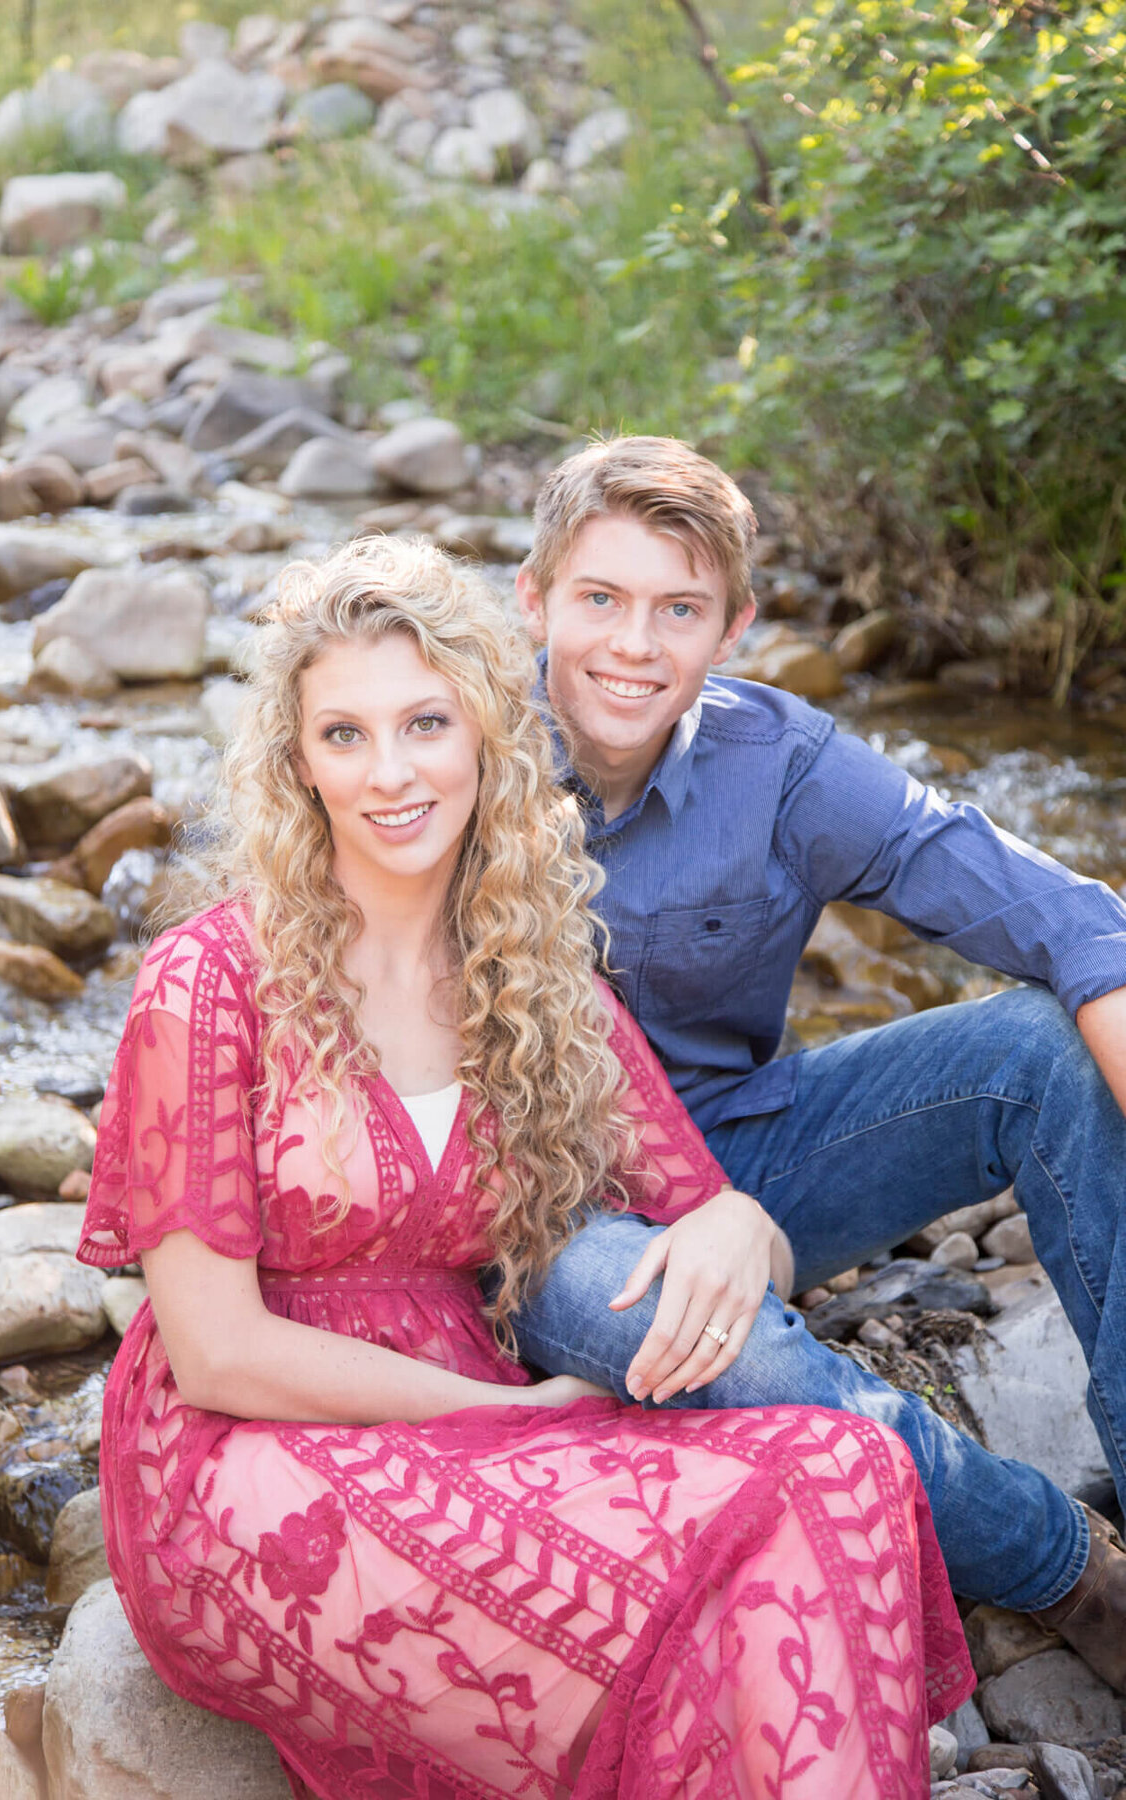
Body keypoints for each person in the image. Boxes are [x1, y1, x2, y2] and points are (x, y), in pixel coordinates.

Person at [78, 537, 970, 1800]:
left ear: (489, 732)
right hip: (251, 1453)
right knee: (692, 1588)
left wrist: (733, 1229)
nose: (389, 774)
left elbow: (710, 1206)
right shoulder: (211, 980)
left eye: (425, 723)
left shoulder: (531, 975)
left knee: (846, 1468)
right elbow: (218, 1349)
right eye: (345, 736)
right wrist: (503, 1416)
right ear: (296, 764)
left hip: (480, 1415)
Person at [510, 434, 1126, 1691]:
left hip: (758, 1158)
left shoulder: (782, 765)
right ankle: (1069, 1567)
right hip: (553, 1214)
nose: (634, 644)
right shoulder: (453, 753)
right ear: (535, 597)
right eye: (601, 599)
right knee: (723, 1346)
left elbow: (1067, 919)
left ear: (733, 628)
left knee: (1041, 1045)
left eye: (678, 609)